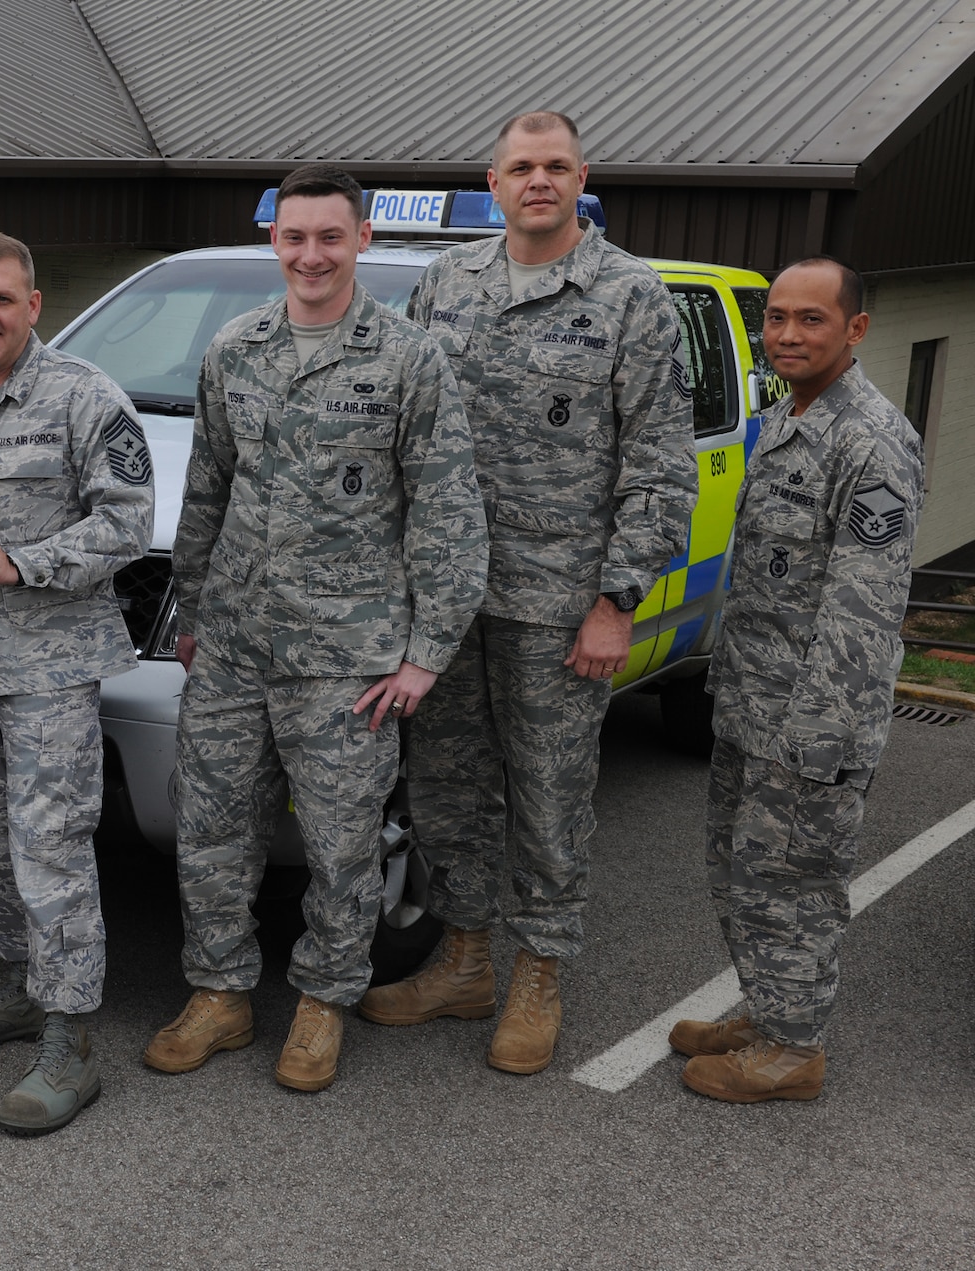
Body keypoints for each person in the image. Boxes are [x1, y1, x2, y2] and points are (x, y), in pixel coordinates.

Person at [358, 111, 698, 1076]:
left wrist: (617, 601)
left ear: (582, 179)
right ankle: (465, 961)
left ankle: (539, 971)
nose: (537, 180)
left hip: (559, 605)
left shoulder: (630, 295)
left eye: (555, 166)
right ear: (494, 182)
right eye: (520, 167)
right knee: (446, 785)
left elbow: (660, 465)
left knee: (549, 794)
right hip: (446, 600)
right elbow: (402, 432)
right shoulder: (445, 282)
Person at [140, 165, 488, 1092]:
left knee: (341, 844)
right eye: (294, 237)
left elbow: (448, 512)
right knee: (212, 827)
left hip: (348, 658)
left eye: (330, 236)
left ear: (361, 239)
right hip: (234, 644)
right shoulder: (235, 348)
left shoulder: (409, 359)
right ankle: (219, 992)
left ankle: (324, 1000)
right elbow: (208, 488)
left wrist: (426, 655)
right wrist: (193, 608)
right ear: (275, 241)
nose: (311, 255)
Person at [0, 232, 154, 1134]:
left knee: (50, 848)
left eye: (2, 299)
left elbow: (128, 524)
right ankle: (23, 985)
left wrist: (22, 559)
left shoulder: (84, 395)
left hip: (50, 668)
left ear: (33, 306)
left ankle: (71, 1036)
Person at [670, 258, 921, 1103]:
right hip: (753, 699)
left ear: (855, 329)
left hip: (811, 722)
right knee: (740, 871)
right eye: (776, 318)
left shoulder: (870, 441)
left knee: (794, 882)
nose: (786, 334)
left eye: (811, 319)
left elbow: (863, 611)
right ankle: (767, 1010)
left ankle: (793, 1049)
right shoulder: (787, 417)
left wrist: (815, 742)